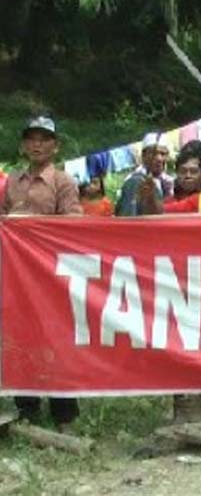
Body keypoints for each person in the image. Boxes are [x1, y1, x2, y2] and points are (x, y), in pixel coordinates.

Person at [0, 116, 82, 429]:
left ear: (55, 145)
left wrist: (34, 226)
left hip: (50, 274)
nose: (37, 144)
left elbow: (74, 224)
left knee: (55, 339)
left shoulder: (63, 182)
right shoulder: (13, 181)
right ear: (23, 145)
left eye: (44, 138)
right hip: (18, 275)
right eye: (32, 138)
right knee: (20, 337)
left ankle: (64, 412)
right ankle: (27, 407)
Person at [115, 131, 174, 216]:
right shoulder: (134, 181)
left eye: (163, 154)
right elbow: (128, 215)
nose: (159, 158)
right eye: (154, 153)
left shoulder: (170, 182)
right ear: (144, 155)